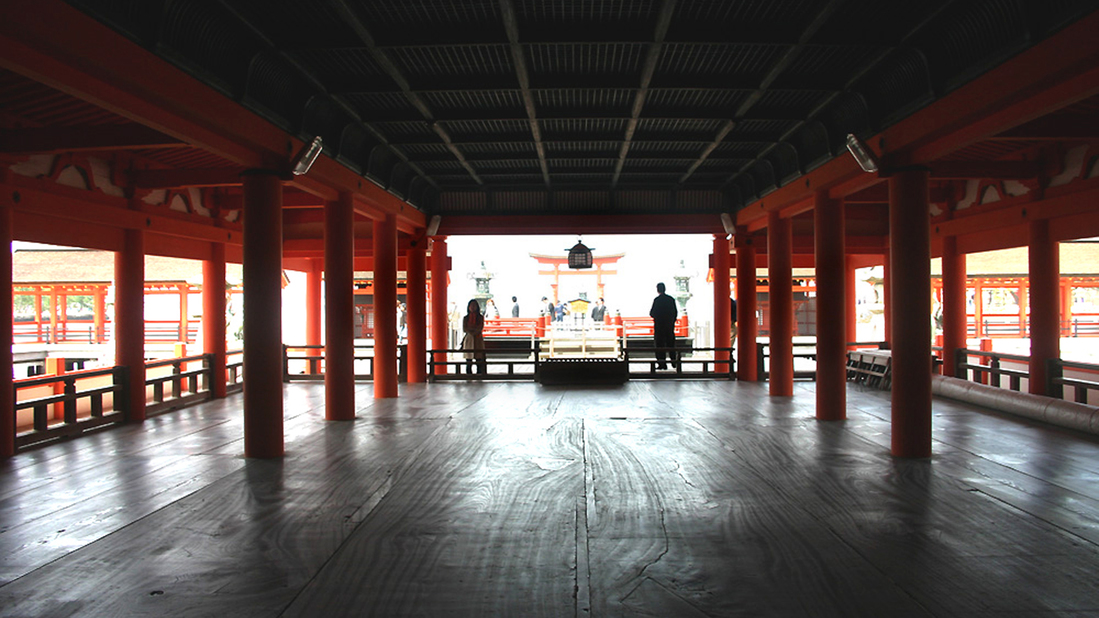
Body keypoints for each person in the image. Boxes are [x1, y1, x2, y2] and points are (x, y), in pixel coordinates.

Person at [649, 282, 678, 370]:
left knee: (659, 345)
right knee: (671, 344)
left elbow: (652, 313)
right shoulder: (671, 299)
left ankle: (662, 364)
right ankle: (674, 362)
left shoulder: (657, 300)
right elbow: (675, 312)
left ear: (658, 289)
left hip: (659, 326)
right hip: (669, 326)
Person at [462, 298, 487, 374]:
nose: (472, 307)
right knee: (468, 361)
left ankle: (479, 374)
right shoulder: (466, 318)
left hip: (478, 339)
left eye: (474, 305)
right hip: (469, 339)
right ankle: (469, 375)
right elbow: (464, 328)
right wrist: (471, 331)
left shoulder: (480, 317)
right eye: (471, 306)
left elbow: (480, 327)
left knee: (479, 359)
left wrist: (474, 331)